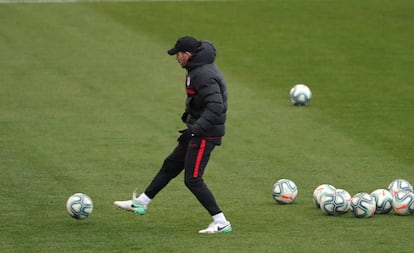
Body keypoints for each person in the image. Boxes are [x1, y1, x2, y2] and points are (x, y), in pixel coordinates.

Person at [114, 36, 231, 234]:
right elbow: (202, 102)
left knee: (192, 178)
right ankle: (141, 203)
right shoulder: (197, 69)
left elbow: (216, 106)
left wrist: (195, 129)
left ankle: (221, 221)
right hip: (198, 129)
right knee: (171, 165)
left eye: (178, 54)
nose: (176, 57)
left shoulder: (202, 73)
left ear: (187, 54)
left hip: (205, 134)